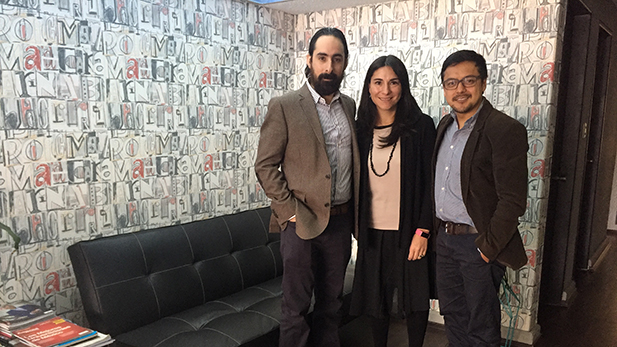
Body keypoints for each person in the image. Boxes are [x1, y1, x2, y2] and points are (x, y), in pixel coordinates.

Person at [254, 27, 359, 347]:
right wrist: (289, 212)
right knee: (296, 308)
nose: (329, 67)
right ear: (309, 61)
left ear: (344, 64)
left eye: (336, 59)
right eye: (323, 58)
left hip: (340, 223)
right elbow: (265, 165)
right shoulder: (285, 105)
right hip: (301, 224)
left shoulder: (350, 106)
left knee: (332, 304)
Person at [433, 49, 529, 347]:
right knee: (453, 316)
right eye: (451, 83)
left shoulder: (504, 129)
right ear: (445, 88)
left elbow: (513, 200)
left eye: (468, 80)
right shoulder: (444, 126)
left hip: (477, 244)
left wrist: (486, 249)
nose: (460, 89)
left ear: (483, 83)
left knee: (482, 327)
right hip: (445, 241)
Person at [349, 55, 436, 347]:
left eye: (393, 82)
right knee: (376, 300)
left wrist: (423, 229)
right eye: (378, 82)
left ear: (403, 86)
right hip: (372, 232)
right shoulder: (359, 129)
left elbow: (431, 184)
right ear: (368, 87)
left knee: (415, 299)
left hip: (410, 230)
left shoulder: (421, 126)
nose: (385, 90)